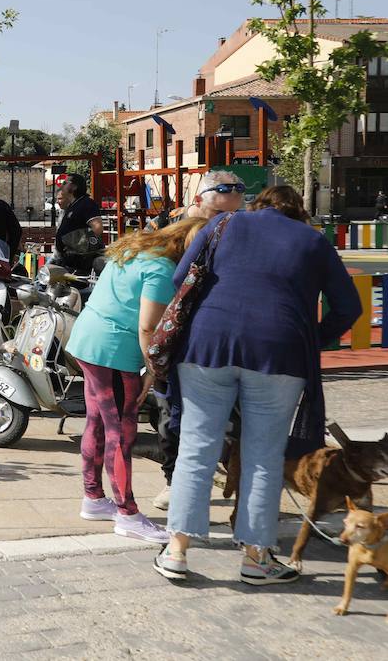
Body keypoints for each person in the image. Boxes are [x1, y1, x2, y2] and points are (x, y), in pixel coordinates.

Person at [154, 187, 361, 585]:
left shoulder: (223, 224)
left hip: (207, 345)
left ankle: (177, 551)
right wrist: (312, 337)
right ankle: (256, 558)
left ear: (258, 206)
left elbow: (182, 279)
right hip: (279, 352)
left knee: (197, 447)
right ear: (298, 213)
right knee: (264, 456)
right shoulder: (313, 240)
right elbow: (349, 307)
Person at [69, 218, 209, 544]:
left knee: (97, 424)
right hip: (114, 353)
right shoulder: (161, 270)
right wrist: (152, 370)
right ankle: (127, 514)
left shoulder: (137, 250)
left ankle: (93, 497)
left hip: (88, 342)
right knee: (121, 433)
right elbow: (148, 327)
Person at [152, 169, 249, 511]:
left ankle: (219, 476)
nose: (226, 223)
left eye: (233, 215)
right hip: (175, 336)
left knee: (227, 416)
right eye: (219, 214)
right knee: (170, 414)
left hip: (216, 339)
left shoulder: (233, 233)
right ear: (198, 201)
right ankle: (174, 481)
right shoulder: (169, 235)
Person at [53, 174, 105, 274]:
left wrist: (77, 245)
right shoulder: (74, 205)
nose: (62, 186)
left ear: (74, 187)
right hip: (69, 261)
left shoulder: (86, 203)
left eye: (65, 183)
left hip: (80, 263)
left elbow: (98, 228)